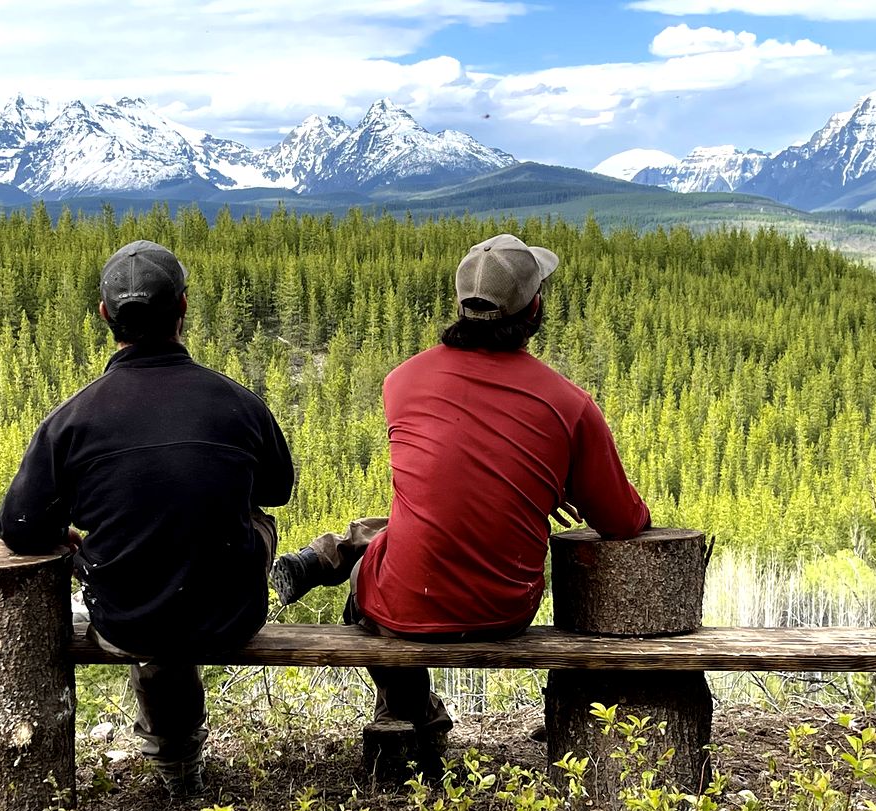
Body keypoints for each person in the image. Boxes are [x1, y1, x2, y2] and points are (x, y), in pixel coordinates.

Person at [271, 233, 650, 758]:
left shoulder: (401, 381)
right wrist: (556, 479)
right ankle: (409, 710)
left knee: (376, 570)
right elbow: (623, 522)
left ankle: (405, 709)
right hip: (503, 608)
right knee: (406, 530)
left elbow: (453, 472)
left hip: (403, 602)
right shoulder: (570, 404)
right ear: (535, 307)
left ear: (462, 308)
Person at [0, 240, 294, 796]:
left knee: (142, 553)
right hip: (232, 615)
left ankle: (173, 756)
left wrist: (72, 534)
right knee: (251, 517)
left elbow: (18, 528)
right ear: (183, 308)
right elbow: (278, 491)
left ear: (106, 315)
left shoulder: (73, 418)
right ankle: (177, 750)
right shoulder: (237, 401)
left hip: (126, 619)